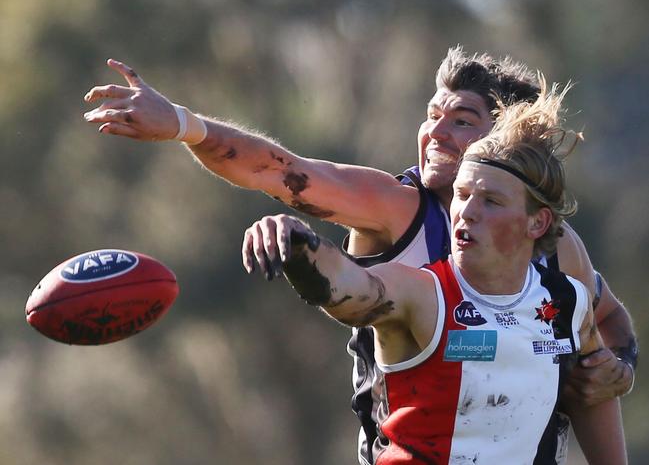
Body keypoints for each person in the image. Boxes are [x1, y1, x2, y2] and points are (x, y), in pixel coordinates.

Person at [83, 47, 636, 458]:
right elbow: (276, 171)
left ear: (508, 140)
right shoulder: (395, 206)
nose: (434, 132)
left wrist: (618, 368)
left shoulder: (558, 249)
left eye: (462, 120)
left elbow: (609, 324)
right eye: (432, 114)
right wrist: (182, 124)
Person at [240, 85, 627, 464]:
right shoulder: (421, 293)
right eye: (461, 194)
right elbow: (345, 286)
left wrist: (622, 369)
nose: (467, 212)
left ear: (537, 222)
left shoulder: (568, 303)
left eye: (490, 201)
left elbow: (593, 391)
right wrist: (297, 243)